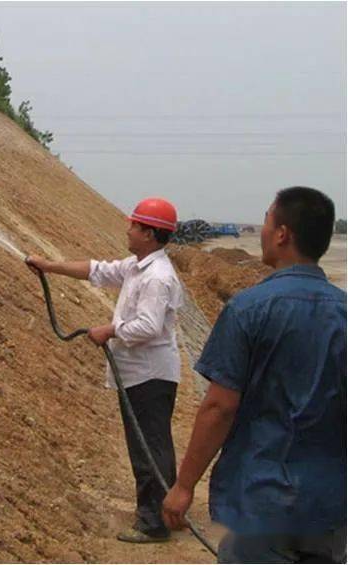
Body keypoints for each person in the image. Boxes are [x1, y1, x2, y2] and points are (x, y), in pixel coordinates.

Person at [162, 186, 346, 563]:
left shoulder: (249, 308)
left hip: (263, 501)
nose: (261, 229)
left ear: (282, 234)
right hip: (330, 503)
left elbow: (219, 407)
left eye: (265, 219)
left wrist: (183, 486)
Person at [26, 197, 183, 543]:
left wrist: (108, 330)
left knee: (147, 449)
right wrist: (49, 267)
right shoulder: (137, 266)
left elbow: (148, 325)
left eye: (134, 225)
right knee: (155, 445)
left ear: (149, 233)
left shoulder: (156, 277)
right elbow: (97, 270)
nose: (127, 229)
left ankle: (153, 523)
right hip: (142, 372)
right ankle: (168, 511)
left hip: (149, 373)